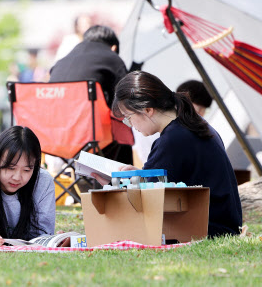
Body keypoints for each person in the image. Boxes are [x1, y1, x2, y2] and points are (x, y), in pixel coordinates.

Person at [94, 71, 242, 238]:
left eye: (129, 118)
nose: (131, 125)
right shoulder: (190, 126)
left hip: (208, 229)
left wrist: (114, 185)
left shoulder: (172, 140)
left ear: (148, 109)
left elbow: (144, 203)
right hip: (221, 224)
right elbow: (162, 183)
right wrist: (136, 176)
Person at [50, 24, 132, 164]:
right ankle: (122, 183)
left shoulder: (60, 62)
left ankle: (85, 179)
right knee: (122, 131)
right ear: (113, 47)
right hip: (92, 133)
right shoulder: (112, 57)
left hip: (57, 134)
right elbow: (127, 98)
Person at [133, 79, 213, 165]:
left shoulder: (181, 125)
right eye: (200, 109)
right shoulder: (167, 126)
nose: (201, 114)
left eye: (204, 110)